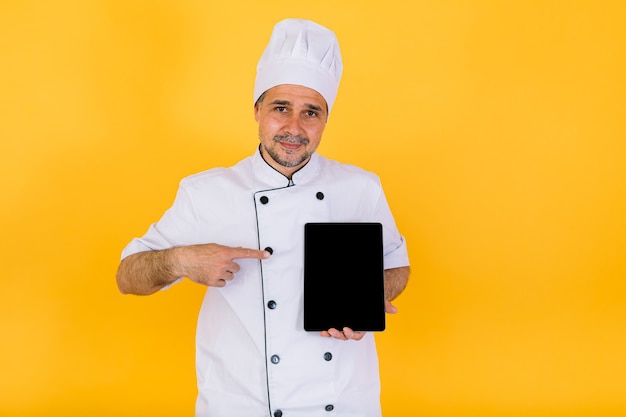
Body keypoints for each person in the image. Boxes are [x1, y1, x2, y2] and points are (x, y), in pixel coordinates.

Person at [116, 18, 410, 417]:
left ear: (326, 119)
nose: (293, 127)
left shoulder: (361, 188)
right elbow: (127, 277)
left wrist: (369, 299)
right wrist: (180, 260)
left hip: (341, 403)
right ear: (257, 110)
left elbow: (396, 266)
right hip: (239, 404)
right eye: (280, 108)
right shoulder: (206, 192)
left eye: (311, 112)